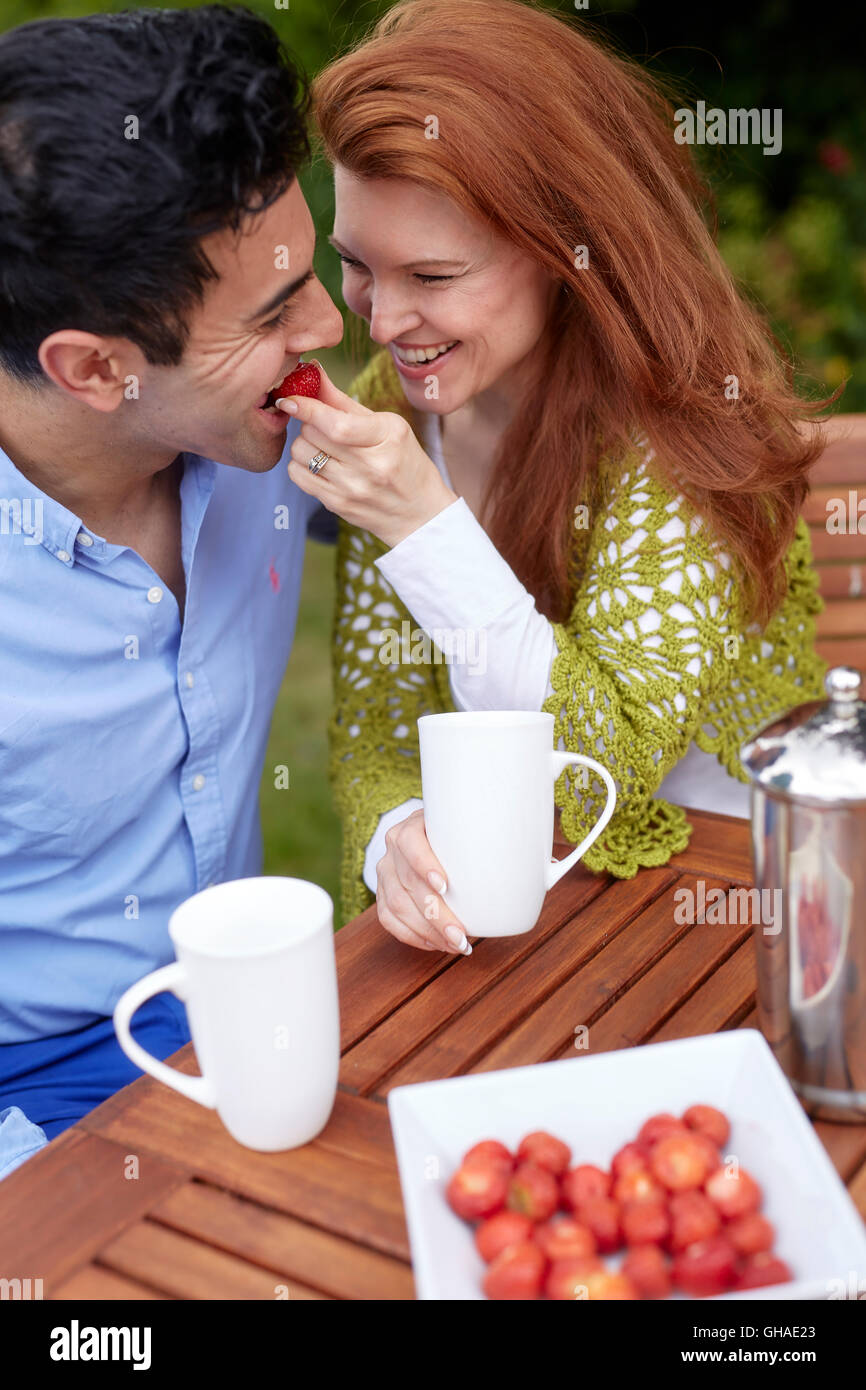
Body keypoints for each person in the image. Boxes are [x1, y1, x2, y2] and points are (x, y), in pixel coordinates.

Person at [279, 0, 835, 951]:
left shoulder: (686, 424)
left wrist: (425, 525)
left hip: (728, 896)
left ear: (564, 254)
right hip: (527, 894)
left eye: (436, 276)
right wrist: (390, 838)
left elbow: (598, 772)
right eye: (357, 265)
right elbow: (381, 714)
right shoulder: (394, 397)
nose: (382, 319)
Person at [0, 6, 343, 1178]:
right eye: (274, 313)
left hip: (256, 1019)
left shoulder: (263, 436)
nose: (329, 328)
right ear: (94, 368)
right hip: (27, 1098)